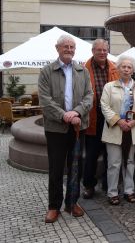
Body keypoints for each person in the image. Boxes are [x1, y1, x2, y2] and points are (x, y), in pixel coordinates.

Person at [38, 35, 93, 223]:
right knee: (56, 168)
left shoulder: (82, 71)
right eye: (65, 46)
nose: (69, 49)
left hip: (78, 127)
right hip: (56, 128)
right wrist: (63, 115)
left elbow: (89, 96)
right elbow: (45, 100)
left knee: (76, 166)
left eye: (72, 47)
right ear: (57, 48)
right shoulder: (47, 71)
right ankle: (54, 206)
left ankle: (72, 202)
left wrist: (76, 113)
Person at [100, 56, 135, 205]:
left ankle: (129, 190)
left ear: (133, 70)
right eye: (123, 67)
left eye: (129, 67)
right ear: (118, 69)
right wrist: (118, 121)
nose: (126, 69)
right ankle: (112, 192)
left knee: (130, 161)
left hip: (132, 129)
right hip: (115, 129)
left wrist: (134, 121)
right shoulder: (109, 87)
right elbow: (104, 106)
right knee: (114, 163)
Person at [82, 39, 120, 199]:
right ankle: (89, 185)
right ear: (93, 51)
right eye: (99, 50)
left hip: (111, 116)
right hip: (93, 116)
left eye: (105, 50)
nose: (102, 53)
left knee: (110, 153)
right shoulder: (84, 69)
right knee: (91, 154)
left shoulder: (114, 68)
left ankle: (107, 183)